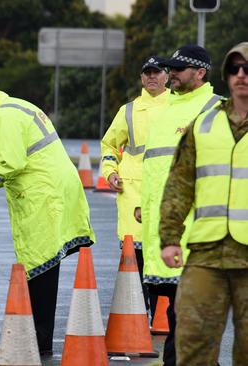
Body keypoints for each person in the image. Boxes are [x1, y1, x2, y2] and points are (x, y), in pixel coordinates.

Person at [0, 79, 96, 356]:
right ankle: (31, 336)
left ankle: (37, 341)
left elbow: (11, 164)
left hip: (42, 195)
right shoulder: (16, 107)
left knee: (40, 264)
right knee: (40, 265)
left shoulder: (5, 116)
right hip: (47, 191)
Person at [160, 42, 248, 366]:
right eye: (234, 68)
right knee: (193, 341)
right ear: (226, 75)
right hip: (206, 253)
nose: (241, 75)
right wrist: (169, 238)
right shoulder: (205, 124)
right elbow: (179, 185)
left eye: (247, 69)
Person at [140, 44, 221, 366]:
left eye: (178, 69)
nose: (170, 74)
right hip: (165, 231)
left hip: (199, 235)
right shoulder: (166, 110)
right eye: (169, 68)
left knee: (189, 321)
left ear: (200, 73)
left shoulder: (215, 109)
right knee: (180, 320)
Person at [100, 56, 170, 316]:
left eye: (157, 72)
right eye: (147, 73)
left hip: (167, 190)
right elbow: (109, 145)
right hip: (133, 192)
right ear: (141, 78)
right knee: (136, 259)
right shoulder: (128, 111)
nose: (151, 77)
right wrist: (110, 172)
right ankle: (138, 319)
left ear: (167, 76)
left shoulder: (177, 108)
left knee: (163, 256)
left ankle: (162, 317)